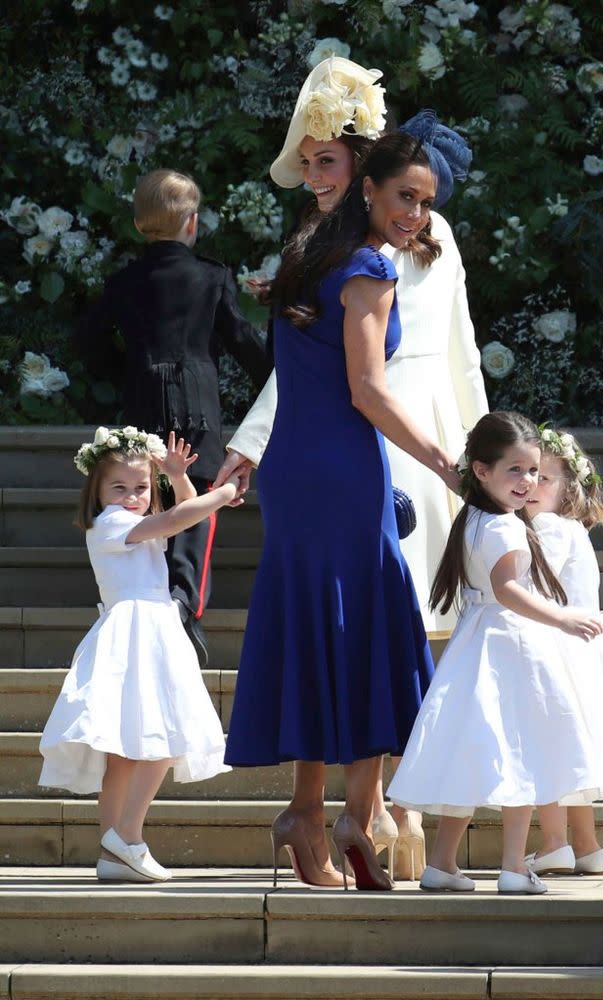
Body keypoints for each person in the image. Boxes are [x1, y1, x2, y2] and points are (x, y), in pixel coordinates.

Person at [217, 57, 487, 880]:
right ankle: (350, 820)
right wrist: (451, 466)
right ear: (370, 188)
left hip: (303, 466)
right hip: (349, 461)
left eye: (424, 201)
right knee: (370, 629)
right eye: (404, 195)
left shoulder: (307, 252)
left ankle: (314, 812)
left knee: (318, 626)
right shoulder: (367, 267)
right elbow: (368, 390)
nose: (415, 212)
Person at [387, 411, 603, 895]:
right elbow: (508, 590)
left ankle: (442, 862)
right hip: (513, 643)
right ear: (481, 471)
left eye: (533, 471)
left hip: (478, 642)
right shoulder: (505, 526)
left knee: (472, 751)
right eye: (516, 470)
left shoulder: (475, 517)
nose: (528, 481)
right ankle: (513, 866)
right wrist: (563, 617)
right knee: (520, 753)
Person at [75, 169, 266, 666]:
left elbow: (89, 345)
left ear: (142, 224)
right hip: (198, 408)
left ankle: (156, 599)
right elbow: (243, 342)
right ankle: (184, 602)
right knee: (195, 508)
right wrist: (281, 371)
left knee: (147, 502)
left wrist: (126, 373)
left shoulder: (122, 281)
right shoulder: (211, 275)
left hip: (141, 407)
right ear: (191, 222)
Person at [38, 427, 244, 883]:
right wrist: (224, 491)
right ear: (98, 491)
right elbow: (175, 521)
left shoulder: (135, 522)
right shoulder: (111, 523)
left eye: (141, 488)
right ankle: (127, 835)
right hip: (137, 630)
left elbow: (184, 516)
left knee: (128, 754)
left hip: (150, 627)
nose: (131, 496)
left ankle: (114, 854)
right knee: (163, 737)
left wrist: (177, 477)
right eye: (119, 487)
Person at [522, 427, 603, 877]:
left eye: (545, 478)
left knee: (551, 749)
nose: (532, 485)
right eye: (529, 474)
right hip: (584, 654)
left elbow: (530, 586)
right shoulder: (571, 528)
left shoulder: (548, 528)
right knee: (574, 755)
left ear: (569, 490)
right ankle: (588, 846)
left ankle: (555, 842)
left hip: (558, 650)